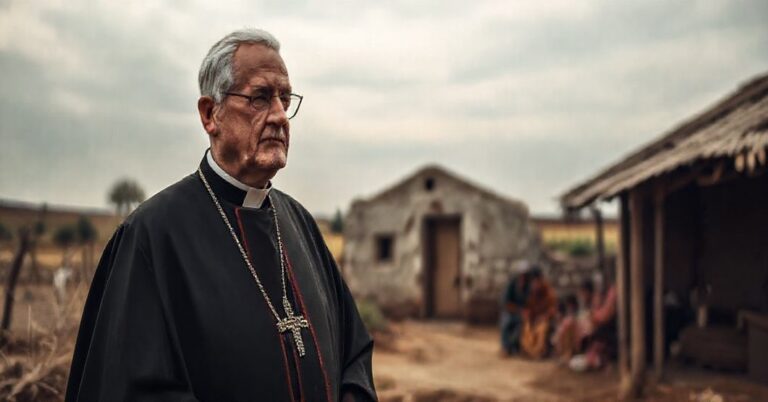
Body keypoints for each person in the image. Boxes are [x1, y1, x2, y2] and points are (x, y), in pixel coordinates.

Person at [66, 29, 377, 402]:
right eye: (260, 97)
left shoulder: (301, 223)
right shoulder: (151, 235)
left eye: (285, 98)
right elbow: (130, 387)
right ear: (210, 114)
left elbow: (354, 353)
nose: (280, 116)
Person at [520, 268, 557, 359]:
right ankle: (529, 351)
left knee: (542, 329)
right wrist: (527, 314)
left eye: (536, 282)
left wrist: (544, 317)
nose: (534, 285)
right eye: (533, 282)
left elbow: (553, 309)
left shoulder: (549, 293)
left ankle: (539, 352)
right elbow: (527, 308)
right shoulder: (530, 293)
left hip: (545, 320)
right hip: (533, 319)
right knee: (527, 328)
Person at [500, 271, 530, 355]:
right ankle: (505, 347)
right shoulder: (511, 286)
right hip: (509, 311)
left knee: (521, 327)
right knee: (506, 323)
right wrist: (519, 310)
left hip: (520, 314)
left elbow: (528, 303)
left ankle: (513, 347)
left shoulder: (527, 288)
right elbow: (506, 303)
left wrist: (525, 311)